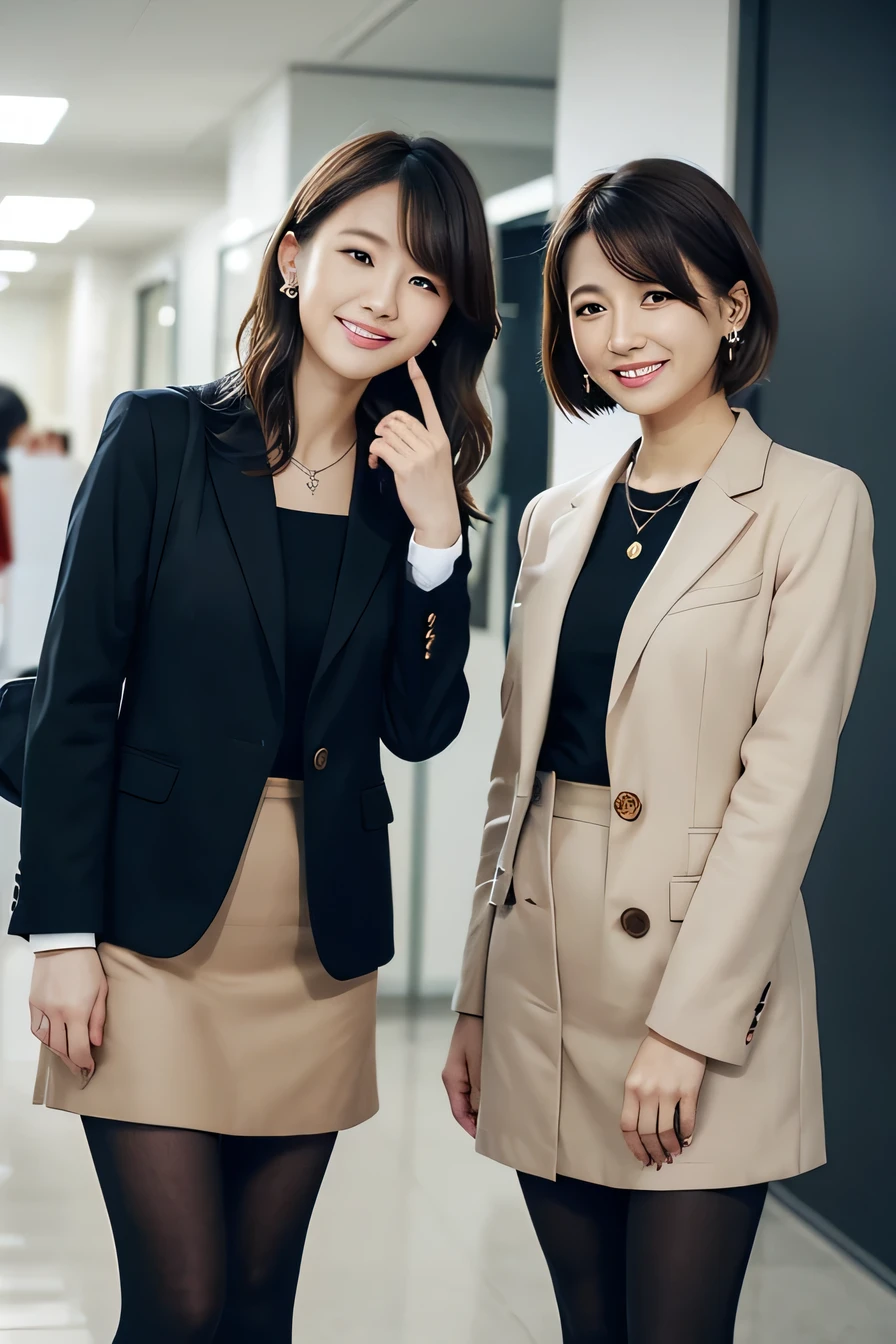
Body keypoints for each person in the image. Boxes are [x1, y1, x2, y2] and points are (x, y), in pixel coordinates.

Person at [9, 130, 498, 1343]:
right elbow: (74, 697)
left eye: (425, 279)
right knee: (176, 1306)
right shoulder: (161, 439)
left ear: (446, 316)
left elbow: (419, 726)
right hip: (150, 929)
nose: (385, 299)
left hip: (311, 941)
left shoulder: (410, 490)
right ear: (292, 259)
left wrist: (440, 540)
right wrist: (60, 932)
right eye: (360, 254)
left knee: (256, 1312)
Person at [443, 158, 875, 1344]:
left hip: (697, 976)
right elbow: (510, 777)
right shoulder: (549, 518)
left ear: (729, 307)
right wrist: (476, 994)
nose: (619, 333)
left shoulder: (810, 505)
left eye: (655, 295)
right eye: (588, 306)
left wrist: (686, 1030)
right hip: (541, 972)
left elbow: (781, 790)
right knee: (587, 1325)